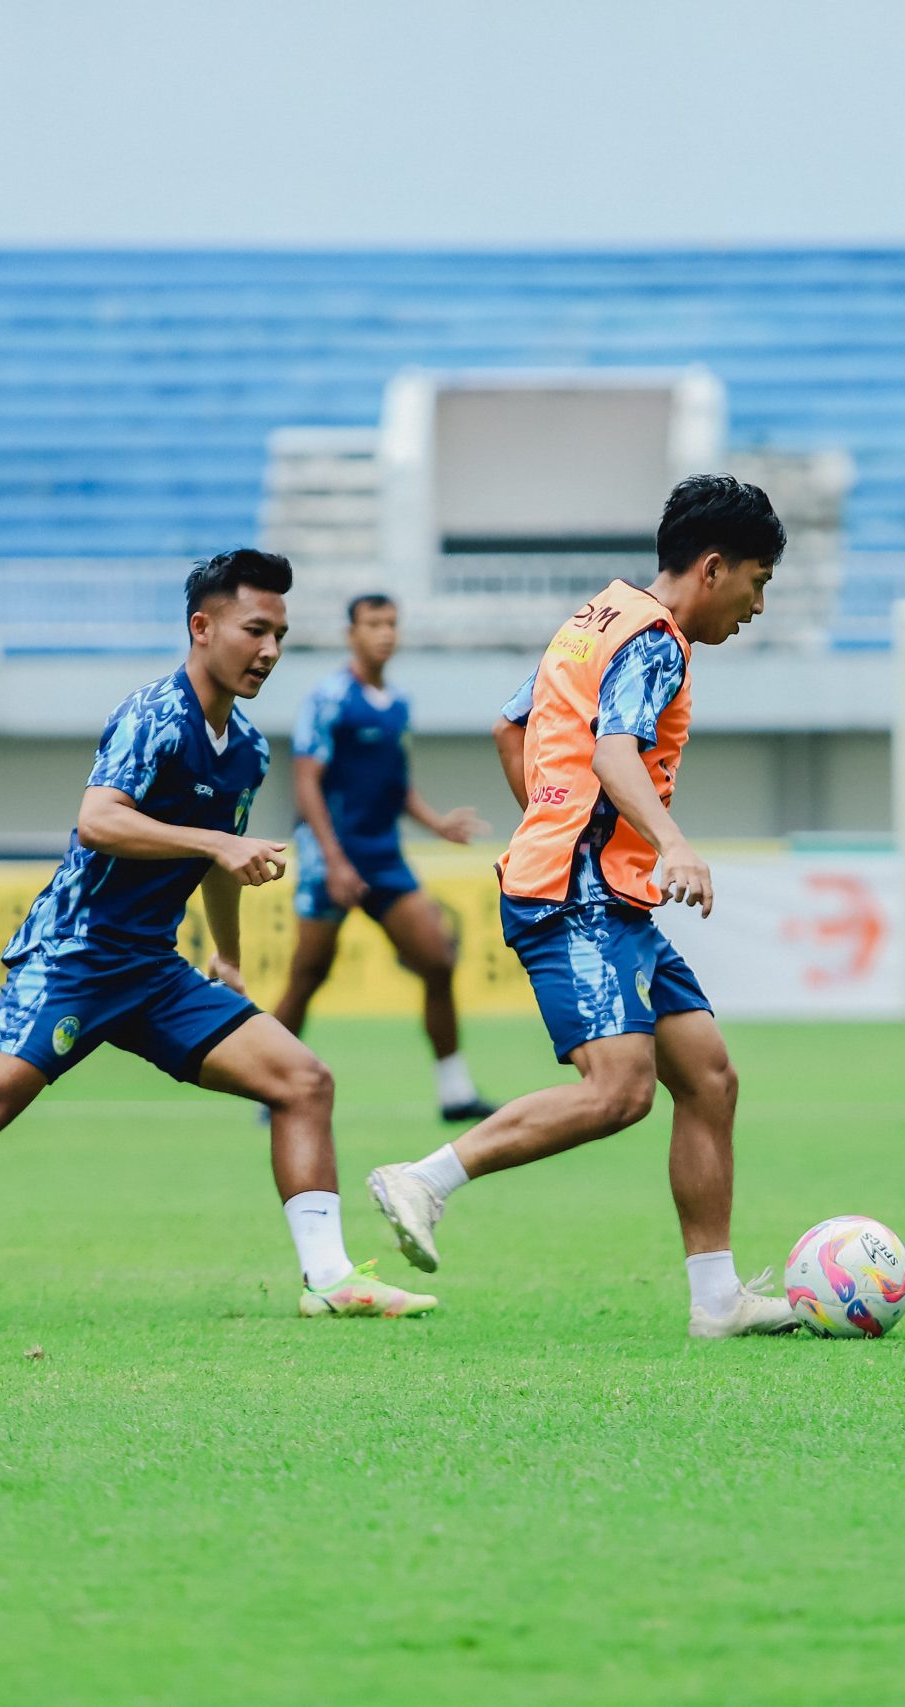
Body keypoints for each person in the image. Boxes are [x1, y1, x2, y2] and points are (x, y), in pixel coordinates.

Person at [0, 550, 437, 1326]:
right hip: (73, 954)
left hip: (152, 970)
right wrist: (212, 844)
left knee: (303, 1081)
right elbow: (99, 820)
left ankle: (327, 1276)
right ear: (202, 628)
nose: (268, 650)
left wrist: (226, 953)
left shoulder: (249, 750)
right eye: (253, 630)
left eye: (280, 634)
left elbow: (221, 864)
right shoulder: (152, 714)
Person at [365, 476, 797, 1339]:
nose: (757, 604)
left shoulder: (597, 615)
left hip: (603, 889)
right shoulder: (659, 641)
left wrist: (550, 821)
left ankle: (717, 1300)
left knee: (708, 1076)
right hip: (578, 894)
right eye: (757, 581)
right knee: (619, 1092)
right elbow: (611, 751)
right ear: (712, 568)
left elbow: (510, 727)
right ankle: (425, 1178)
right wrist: (669, 840)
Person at [271, 593, 499, 1123]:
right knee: (307, 975)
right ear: (351, 632)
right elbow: (306, 783)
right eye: (373, 623)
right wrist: (334, 860)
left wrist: (437, 822)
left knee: (438, 961)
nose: (385, 633)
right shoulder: (329, 698)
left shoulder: (397, 704)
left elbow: (396, 785)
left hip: (384, 857)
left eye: (392, 623)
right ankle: (270, 1084)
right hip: (333, 858)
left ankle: (455, 1092)